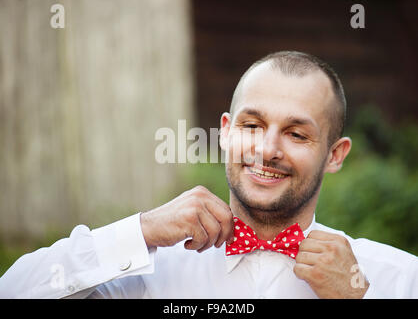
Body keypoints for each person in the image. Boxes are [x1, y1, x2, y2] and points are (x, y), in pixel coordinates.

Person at [0, 51, 417, 299]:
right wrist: (139, 232)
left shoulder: (395, 278)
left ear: (335, 154)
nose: (267, 150)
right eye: (252, 126)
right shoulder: (147, 274)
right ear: (226, 132)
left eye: (296, 133)